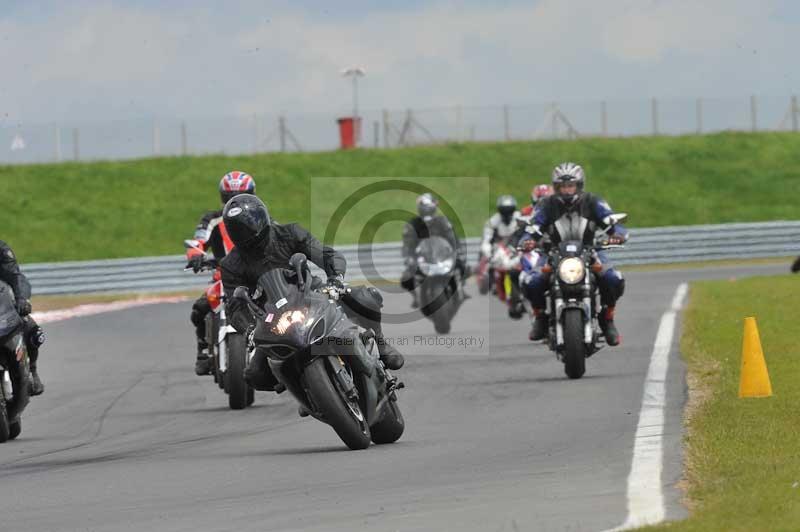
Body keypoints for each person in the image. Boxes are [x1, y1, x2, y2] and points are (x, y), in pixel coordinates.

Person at [219, 194, 404, 392]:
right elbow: (235, 306)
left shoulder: (289, 233)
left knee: (366, 298)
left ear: (262, 217)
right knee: (255, 375)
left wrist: (335, 280)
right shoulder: (231, 265)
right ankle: (305, 388)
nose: (247, 232)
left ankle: (381, 344)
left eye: (250, 224)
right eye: (239, 229)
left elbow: (326, 254)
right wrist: (249, 330)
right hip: (274, 319)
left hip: (311, 294)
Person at [519, 162, 627, 345]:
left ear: (579, 185)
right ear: (556, 187)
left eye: (571, 185)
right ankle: (540, 317)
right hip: (553, 252)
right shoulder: (546, 205)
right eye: (562, 186)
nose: (567, 190)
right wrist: (527, 240)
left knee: (613, 278)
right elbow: (533, 227)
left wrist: (617, 234)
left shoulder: (593, 202)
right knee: (532, 281)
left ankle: (607, 318)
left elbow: (611, 221)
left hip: (590, 250)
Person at [188, 171, 255, 376]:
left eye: (240, 196)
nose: (234, 202)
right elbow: (198, 240)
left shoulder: (259, 216)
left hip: (254, 278)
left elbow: (277, 238)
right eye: (229, 198)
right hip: (222, 278)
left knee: (280, 305)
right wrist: (195, 255)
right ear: (222, 198)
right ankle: (204, 352)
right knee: (200, 308)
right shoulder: (212, 220)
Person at [400, 193, 469, 308]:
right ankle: (416, 297)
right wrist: (409, 257)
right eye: (425, 207)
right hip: (422, 258)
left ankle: (460, 289)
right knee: (406, 277)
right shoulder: (413, 224)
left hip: (442, 256)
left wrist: (458, 251)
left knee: (463, 266)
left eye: (428, 207)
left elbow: (453, 238)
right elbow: (407, 244)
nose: (427, 210)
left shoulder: (443, 221)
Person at [0, 240, 45, 395]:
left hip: (3, 305)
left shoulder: (2, 250)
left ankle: (32, 371)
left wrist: (21, 299)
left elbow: (16, 277)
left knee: (34, 332)